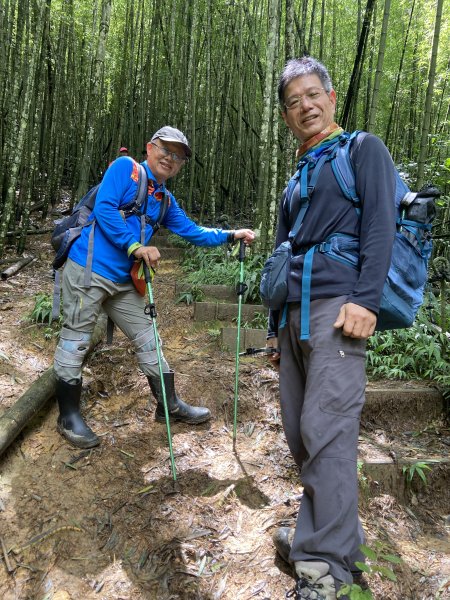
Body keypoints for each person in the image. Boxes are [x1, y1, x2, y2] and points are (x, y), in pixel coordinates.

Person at [266, 57, 396, 599]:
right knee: (300, 431)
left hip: (339, 308)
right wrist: (276, 329)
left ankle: (324, 570)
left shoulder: (362, 149)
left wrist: (366, 299)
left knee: (329, 430)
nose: (305, 107)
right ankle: (327, 535)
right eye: (293, 102)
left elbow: (381, 223)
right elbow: (282, 249)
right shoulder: (298, 173)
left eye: (312, 94)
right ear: (286, 115)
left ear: (332, 96)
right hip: (294, 310)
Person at [54, 125, 255, 449]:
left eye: (178, 157)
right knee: (76, 341)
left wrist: (231, 235)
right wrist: (135, 247)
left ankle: (169, 405)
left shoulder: (164, 200)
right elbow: (105, 207)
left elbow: (192, 231)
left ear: (180, 166)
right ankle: (68, 417)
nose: (170, 158)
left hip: (123, 282)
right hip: (88, 270)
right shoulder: (125, 170)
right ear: (150, 148)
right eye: (165, 149)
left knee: (149, 339)